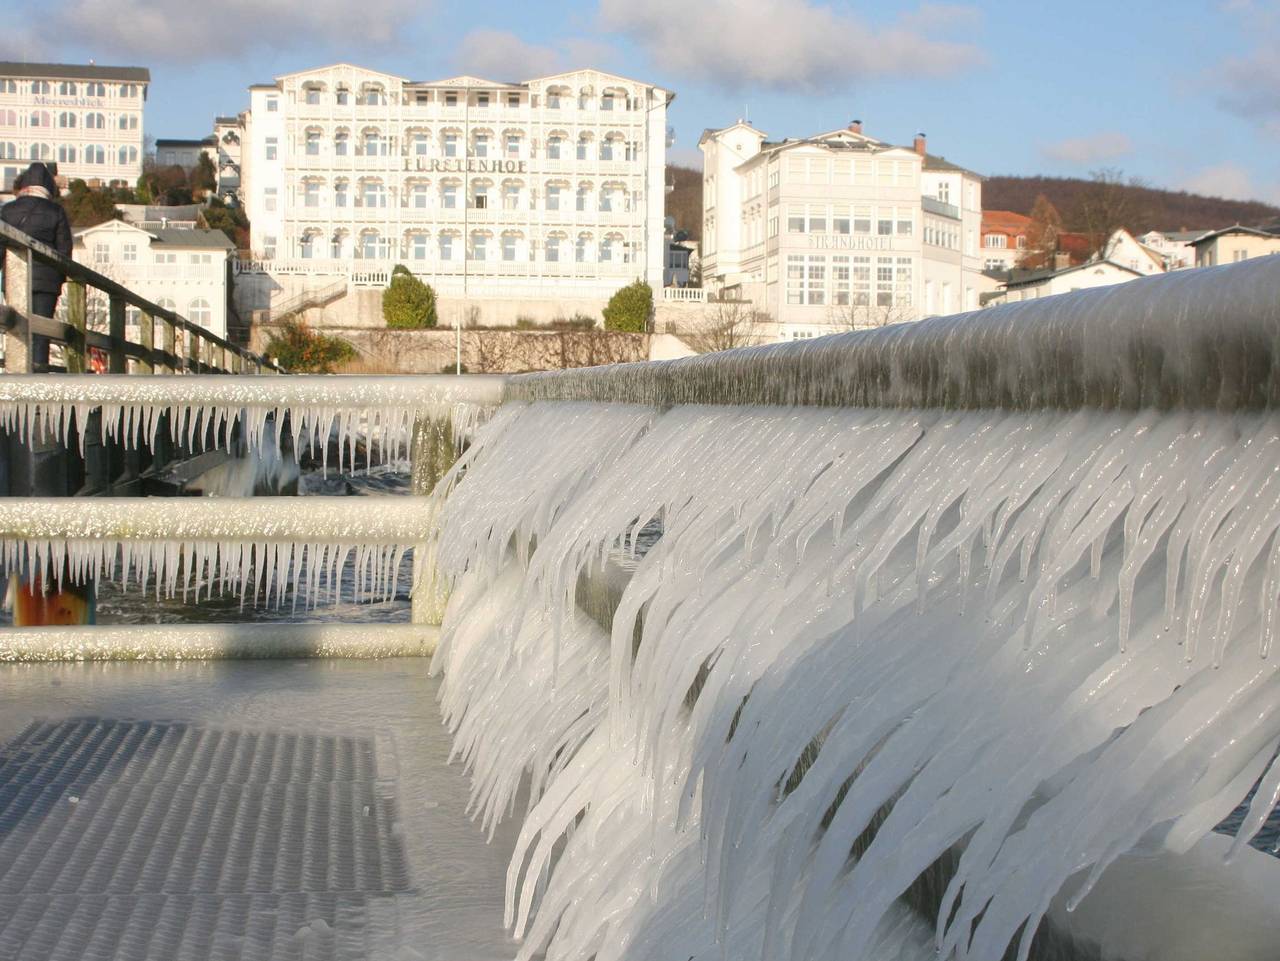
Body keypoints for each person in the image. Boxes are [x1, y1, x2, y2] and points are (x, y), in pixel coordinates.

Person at [1, 162, 72, 367]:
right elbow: (64, 251)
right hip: (47, 282)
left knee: (16, 327)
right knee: (42, 332)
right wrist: (59, 279)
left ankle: (17, 375)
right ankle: (38, 375)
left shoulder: (8, 210)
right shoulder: (56, 211)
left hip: (14, 278)